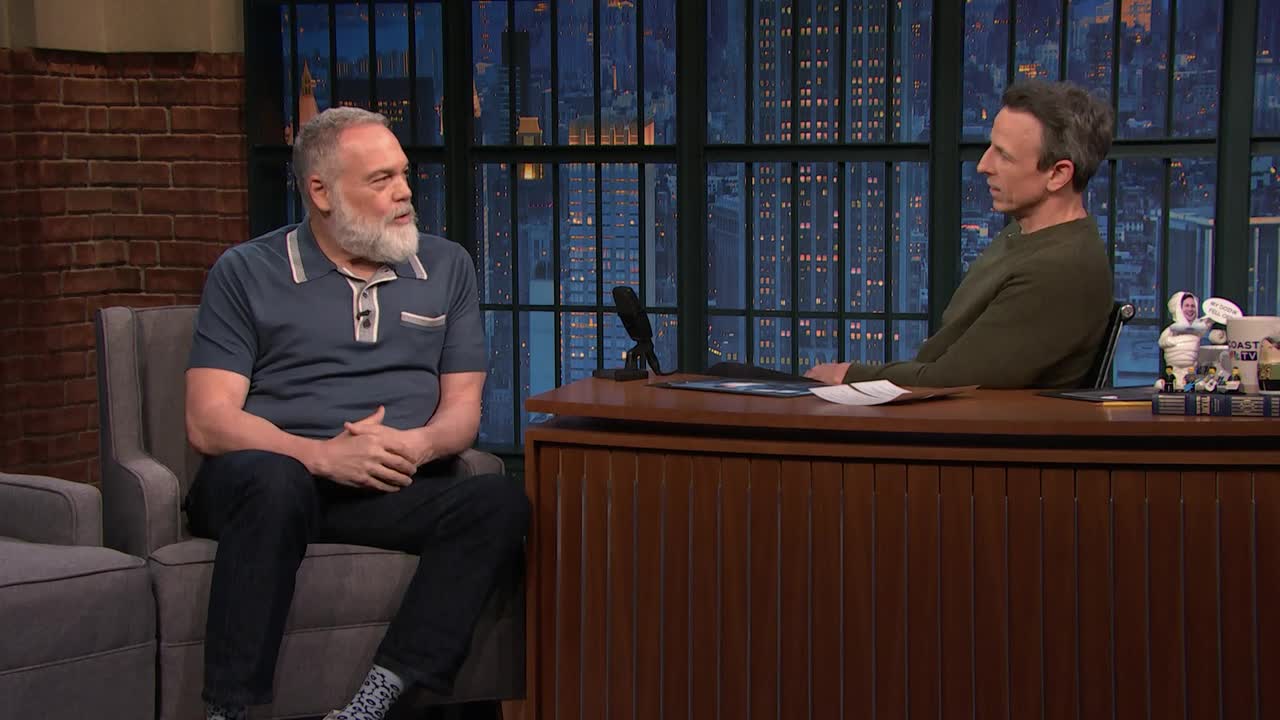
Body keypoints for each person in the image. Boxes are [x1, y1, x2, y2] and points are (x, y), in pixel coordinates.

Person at [183, 107, 529, 720]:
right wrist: (321, 456)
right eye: (380, 179)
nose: (404, 192)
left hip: (385, 486)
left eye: (404, 174)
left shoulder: (446, 266)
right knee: (276, 482)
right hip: (267, 483)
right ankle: (229, 711)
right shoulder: (247, 271)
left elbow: (462, 410)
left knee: (498, 500)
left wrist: (415, 447)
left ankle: (372, 703)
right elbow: (208, 419)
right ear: (321, 192)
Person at [806, 80, 1115, 388]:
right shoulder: (1023, 234)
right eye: (990, 147)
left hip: (969, 416)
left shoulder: (1060, 269)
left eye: (1004, 156)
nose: (983, 165)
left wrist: (849, 376)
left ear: (1058, 174)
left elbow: (955, 382)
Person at [1157, 290, 1212, 389]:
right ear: (1179, 307)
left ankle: (1188, 387)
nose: (1190, 309)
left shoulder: (1198, 330)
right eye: (1187, 306)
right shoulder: (1170, 331)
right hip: (1174, 373)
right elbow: (1162, 342)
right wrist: (1175, 341)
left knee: (1196, 385)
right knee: (1164, 385)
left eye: (1192, 306)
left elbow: (1208, 326)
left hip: (1190, 373)